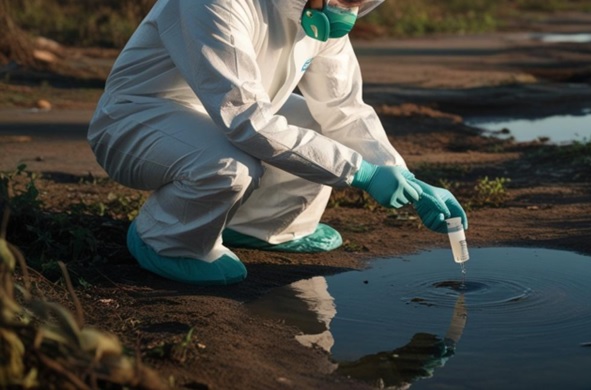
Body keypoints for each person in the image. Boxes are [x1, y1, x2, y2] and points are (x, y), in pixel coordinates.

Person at [87, 0, 468, 286]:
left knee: (319, 127)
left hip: (229, 113)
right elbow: (247, 119)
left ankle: (264, 225)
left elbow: (343, 109)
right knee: (229, 166)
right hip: (140, 117)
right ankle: (168, 239)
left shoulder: (320, 15)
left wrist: (402, 175)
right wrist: (362, 174)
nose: (352, 8)